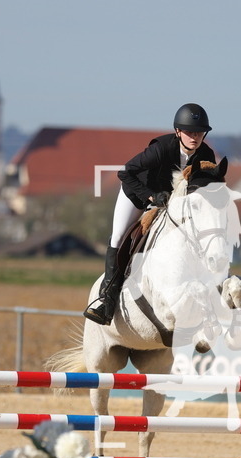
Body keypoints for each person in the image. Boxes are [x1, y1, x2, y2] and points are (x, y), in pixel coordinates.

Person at [83, 103, 216, 325]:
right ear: (177, 132)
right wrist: (151, 197)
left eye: (199, 132)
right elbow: (125, 172)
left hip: (172, 203)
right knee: (118, 236)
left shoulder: (206, 154)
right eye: (190, 132)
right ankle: (106, 300)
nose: (195, 137)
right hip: (137, 194)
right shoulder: (161, 148)